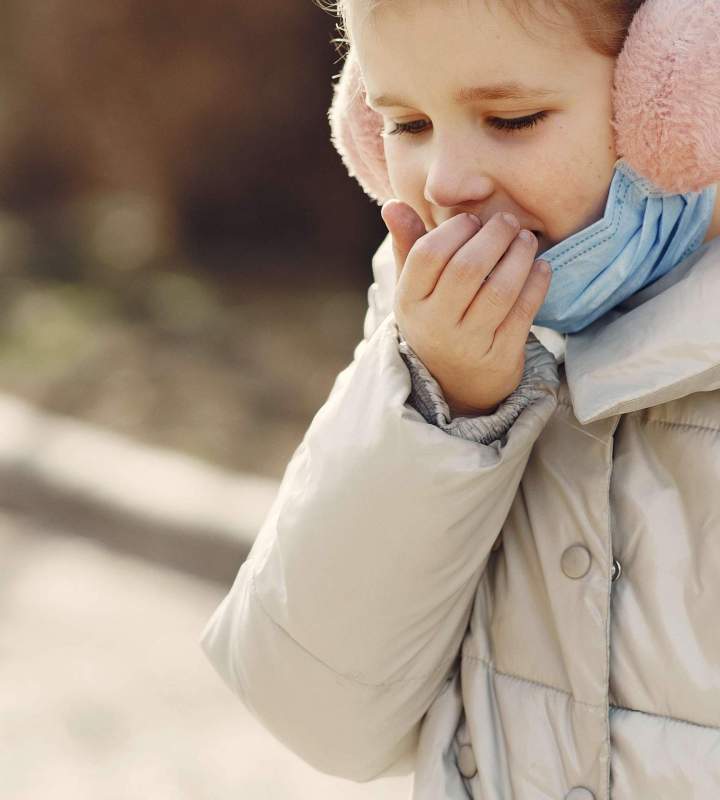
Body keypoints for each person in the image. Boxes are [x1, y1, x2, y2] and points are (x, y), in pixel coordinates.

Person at [200, 1, 720, 797]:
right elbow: (318, 713)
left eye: (511, 119)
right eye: (405, 124)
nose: (445, 182)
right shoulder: (415, 333)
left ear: (685, 92)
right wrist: (439, 408)